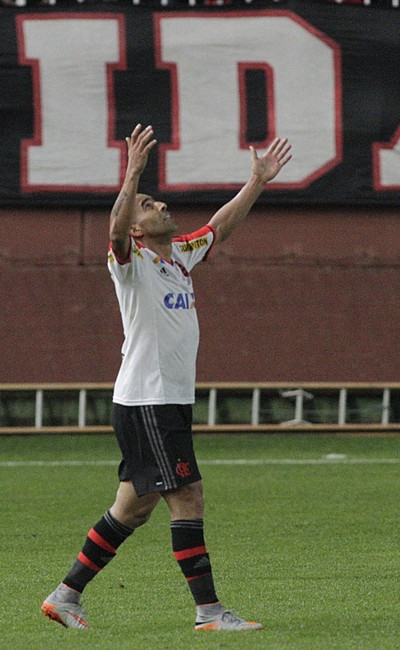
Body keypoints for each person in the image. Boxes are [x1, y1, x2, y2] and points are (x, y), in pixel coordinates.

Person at [41, 123, 292, 632]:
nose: (158, 206)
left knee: (132, 510)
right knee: (189, 496)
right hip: (149, 401)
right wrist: (132, 173)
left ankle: (65, 596)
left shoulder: (176, 257)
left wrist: (258, 182)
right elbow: (114, 229)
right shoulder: (129, 263)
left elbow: (219, 227)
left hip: (161, 402)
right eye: (148, 204)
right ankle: (209, 613)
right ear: (136, 228)